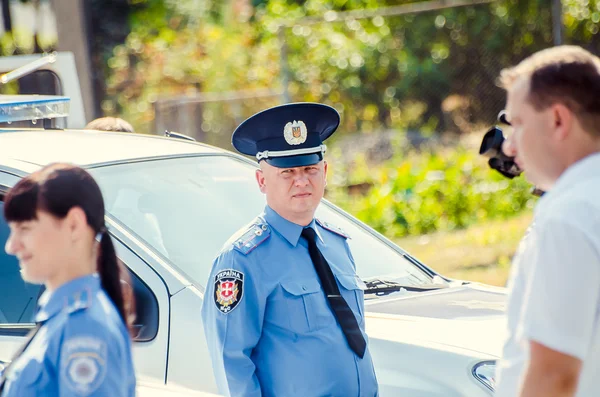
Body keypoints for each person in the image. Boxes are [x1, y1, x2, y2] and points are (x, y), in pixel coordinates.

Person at [201, 103, 378, 397]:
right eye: (287, 172)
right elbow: (231, 361)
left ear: (324, 171)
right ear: (261, 180)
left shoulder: (337, 244)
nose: (301, 180)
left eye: (309, 168)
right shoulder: (242, 259)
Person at [494, 45, 600, 397]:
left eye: (518, 124)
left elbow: (554, 375)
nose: (508, 147)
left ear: (558, 120)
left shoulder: (568, 216)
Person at [0, 163, 136, 396]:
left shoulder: (84, 327)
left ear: (73, 225)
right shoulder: (67, 317)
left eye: (25, 228)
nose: (11, 246)